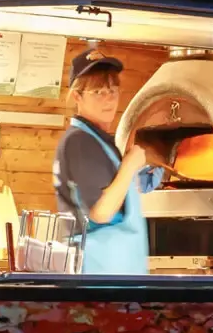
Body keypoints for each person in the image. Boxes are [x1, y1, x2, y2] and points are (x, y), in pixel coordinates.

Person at [53, 50, 162, 274]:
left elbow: (111, 191)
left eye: (113, 90)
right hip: (98, 271)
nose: (109, 99)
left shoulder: (97, 140)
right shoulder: (80, 142)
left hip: (115, 271)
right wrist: (130, 165)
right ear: (77, 97)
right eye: (98, 92)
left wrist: (138, 180)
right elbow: (101, 213)